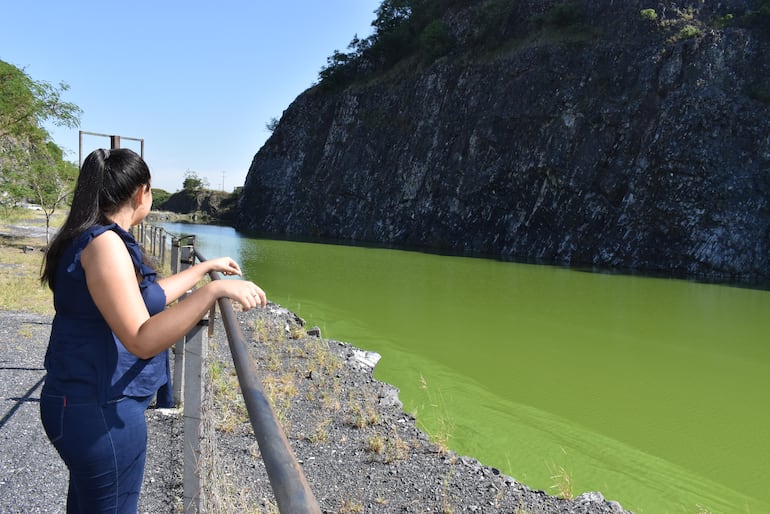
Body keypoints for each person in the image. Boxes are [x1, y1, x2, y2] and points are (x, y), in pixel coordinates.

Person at [39, 148, 266, 513]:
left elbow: (146, 298)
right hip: (99, 412)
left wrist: (202, 269)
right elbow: (142, 339)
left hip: (78, 404)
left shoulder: (91, 237)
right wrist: (214, 290)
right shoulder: (106, 244)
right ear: (141, 192)